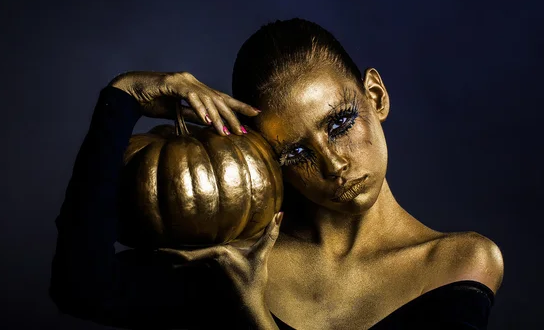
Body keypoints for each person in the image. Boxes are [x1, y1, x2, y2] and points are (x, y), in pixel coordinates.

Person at [50, 18, 504, 329]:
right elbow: (78, 285)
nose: (333, 164)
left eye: (340, 123)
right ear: (265, 154)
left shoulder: (460, 263)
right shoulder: (237, 258)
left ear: (376, 96)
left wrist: (254, 316)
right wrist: (124, 96)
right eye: (297, 151)